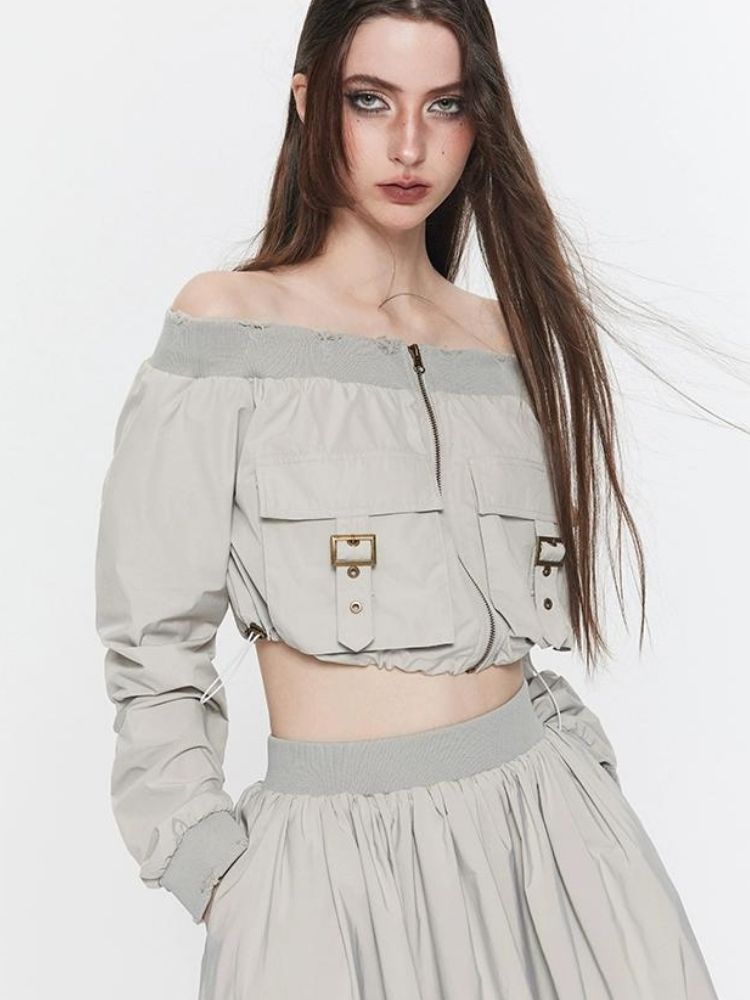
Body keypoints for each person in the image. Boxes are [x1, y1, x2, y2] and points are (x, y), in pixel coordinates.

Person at [94, 2, 722, 997]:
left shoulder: (508, 339)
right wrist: (214, 870)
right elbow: (152, 640)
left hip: (554, 845)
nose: (409, 146)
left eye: (445, 104)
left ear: (480, 119)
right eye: (370, 100)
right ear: (310, 104)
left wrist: (586, 778)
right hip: (330, 873)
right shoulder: (230, 326)